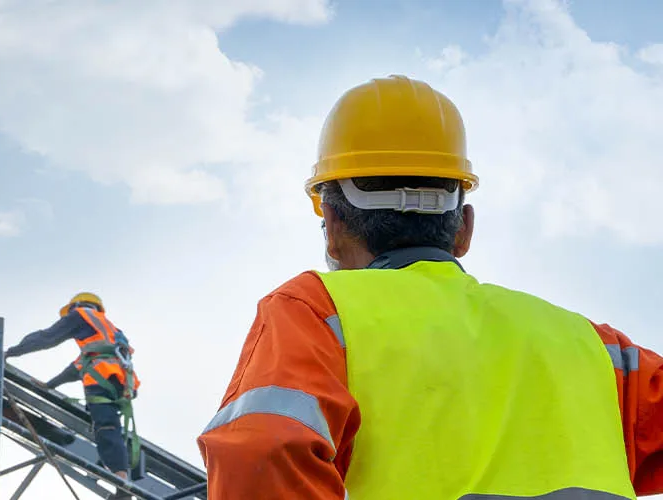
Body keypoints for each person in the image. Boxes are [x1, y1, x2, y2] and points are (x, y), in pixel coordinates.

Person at [196, 74, 663, 499]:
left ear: (334, 225)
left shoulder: (316, 313)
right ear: (464, 228)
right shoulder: (594, 348)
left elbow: (260, 457)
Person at [5, 292, 141, 497]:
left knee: (106, 426)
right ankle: (120, 476)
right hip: (121, 382)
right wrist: (50, 385)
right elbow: (78, 367)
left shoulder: (80, 314)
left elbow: (46, 337)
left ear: (77, 306)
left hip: (102, 378)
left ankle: (121, 480)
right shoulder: (109, 331)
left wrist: (10, 352)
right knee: (109, 426)